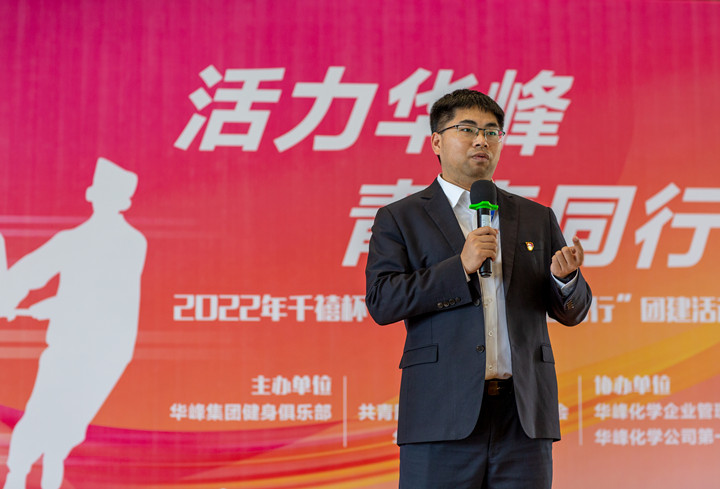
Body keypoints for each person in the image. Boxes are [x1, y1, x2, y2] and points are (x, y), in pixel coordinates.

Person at [365, 89, 592, 489]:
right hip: (440, 413)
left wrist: (565, 280)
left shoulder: (535, 217)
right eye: (467, 129)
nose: (481, 140)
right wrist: (460, 267)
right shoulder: (401, 218)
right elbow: (383, 301)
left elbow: (571, 311)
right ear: (437, 141)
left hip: (522, 416)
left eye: (491, 131)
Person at [0, 158, 147, 489]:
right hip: (80, 348)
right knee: (46, 414)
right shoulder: (77, 239)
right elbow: (31, 272)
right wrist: (9, 297)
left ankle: (29, 472)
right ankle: (18, 476)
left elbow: (107, 295)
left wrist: (51, 305)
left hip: (100, 351)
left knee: (61, 421)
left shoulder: (126, 242)